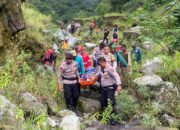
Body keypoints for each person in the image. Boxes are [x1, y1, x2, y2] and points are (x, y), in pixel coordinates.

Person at [92, 57, 122, 125]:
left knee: (110, 103)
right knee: (103, 102)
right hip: (103, 89)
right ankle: (106, 116)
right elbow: (99, 73)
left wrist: (119, 85)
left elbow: (116, 76)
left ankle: (113, 119)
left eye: (100, 64)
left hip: (110, 89)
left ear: (103, 62)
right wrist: (94, 76)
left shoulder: (110, 68)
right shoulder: (101, 68)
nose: (99, 65)